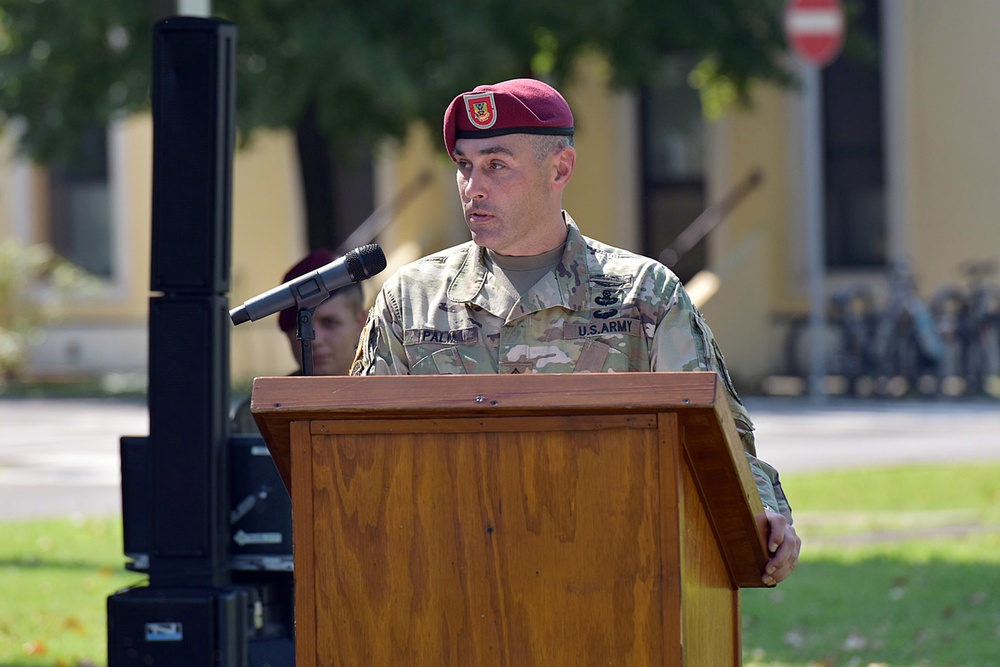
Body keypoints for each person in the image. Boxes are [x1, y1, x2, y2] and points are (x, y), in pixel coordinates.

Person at [350, 78, 800, 585]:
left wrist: (765, 516)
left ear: (560, 168)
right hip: (450, 578)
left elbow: (723, 440)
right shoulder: (410, 299)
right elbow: (361, 452)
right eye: (464, 166)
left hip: (606, 577)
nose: (474, 186)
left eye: (497, 166)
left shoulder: (642, 296)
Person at [231, 249, 368, 433]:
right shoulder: (259, 416)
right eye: (302, 324)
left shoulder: (392, 399)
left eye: (330, 323)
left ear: (361, 322)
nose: (315, 340)